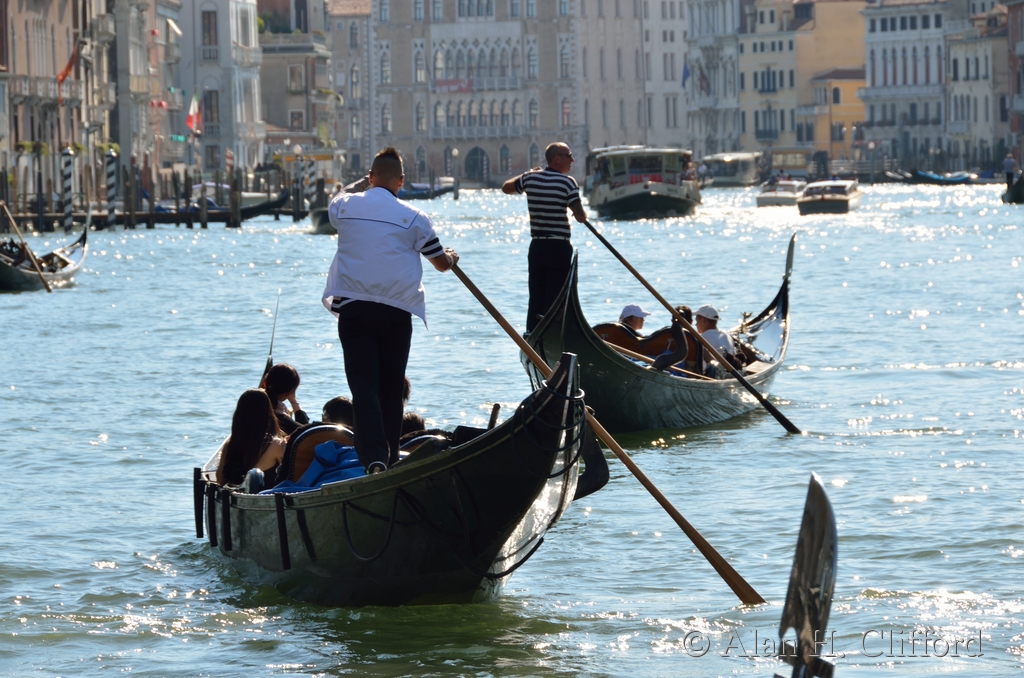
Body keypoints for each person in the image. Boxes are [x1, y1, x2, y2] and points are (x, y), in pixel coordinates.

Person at [322, 147, 459, 474]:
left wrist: (362, 184)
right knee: (391, 387)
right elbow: (441, 264)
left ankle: (374, 459)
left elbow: (340, 195)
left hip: (355, 310)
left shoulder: (344, 207)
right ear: (401, 181)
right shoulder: (415, 218)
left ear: (370, 178)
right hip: (396, 313)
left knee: (364, 387)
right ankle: (390, 457)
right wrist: (452, 257)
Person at [502, 142, 587, 332]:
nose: (572, 160)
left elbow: (506, 188)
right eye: (569, 156)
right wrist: (574, 209)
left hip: (537, 247)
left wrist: (528, 174)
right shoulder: (568, 182)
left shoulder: (529, 178)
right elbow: (581, 217)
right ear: (557, 158)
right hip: (558, 248)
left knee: (536, 295)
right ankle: (550, 334)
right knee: (555, 297)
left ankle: (532, 333)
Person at [216, 389, 285, 487]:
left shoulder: (230, 445)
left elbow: (220, 480)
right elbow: (291, 477)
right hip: (266, 495)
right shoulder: (276, 445)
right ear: (267, 413)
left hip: (237, 494)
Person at [263, 363, 309, 435]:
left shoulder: (255, 404)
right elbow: (306, 433)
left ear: (265, 383)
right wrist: (294, 401)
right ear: (290, 392)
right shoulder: (279, 417)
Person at [695, 305, 737, 374]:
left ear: (703, 320)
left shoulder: (701, 339)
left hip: (711, 374)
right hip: (730, 373)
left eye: (696, 321)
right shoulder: (728, 336)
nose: (696, 325)